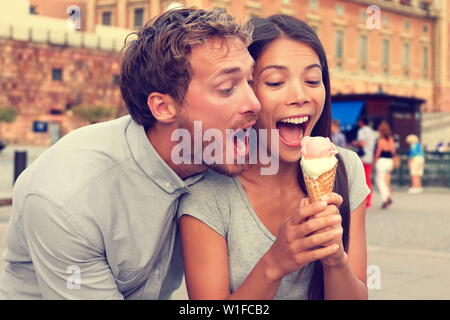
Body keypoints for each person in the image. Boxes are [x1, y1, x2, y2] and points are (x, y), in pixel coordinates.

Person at [0, 8, 261, 299]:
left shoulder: (218, 156)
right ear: (163, 107)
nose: (254, 103)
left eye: (251, 81)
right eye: (226, 88)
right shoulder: (69, 199)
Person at [178, 15, 369, 300]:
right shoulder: (206, 191)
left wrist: (335, 259)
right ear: (246, 93)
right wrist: (275, 263)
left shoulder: (345, 168)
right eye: (276, 82)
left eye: (313, 80)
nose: (300, 95)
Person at [355, 117, 376, 209]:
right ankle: (369, 200)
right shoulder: (372, 132)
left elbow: (362, 144)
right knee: (368, 179)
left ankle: (364, 201)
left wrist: (355, 143)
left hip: (363, 157)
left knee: (362, 180)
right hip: (369, 157)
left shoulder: (362, 131)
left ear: (361, 122)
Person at [373, 122, 396, 209]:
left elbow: (378, 153)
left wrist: (374, 160)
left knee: (379, 181)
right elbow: (393, 151)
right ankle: (388, 196)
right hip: (389, 161)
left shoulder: (381, 141)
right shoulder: (390, 139)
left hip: (382, 161)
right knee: (385, 181)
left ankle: (384, 199)